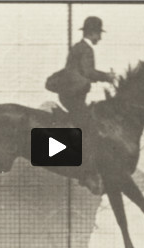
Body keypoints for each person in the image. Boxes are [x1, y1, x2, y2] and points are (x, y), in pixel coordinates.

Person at [46, 16, 115, 195]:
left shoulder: (78, 47)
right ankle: (86, 174)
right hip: (73, 97)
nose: (99, 38)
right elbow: (88, 72)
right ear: (92, 33)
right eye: (98, 34)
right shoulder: (86, 49)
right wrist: (107, 76)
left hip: (71, 95)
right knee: (90, 129)